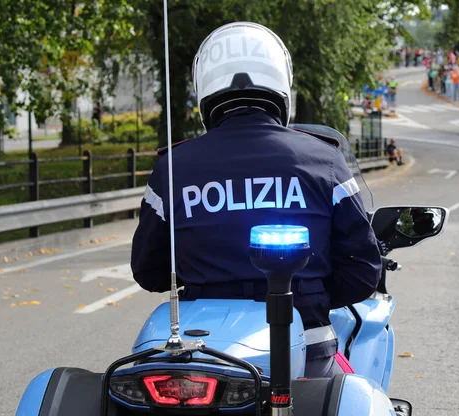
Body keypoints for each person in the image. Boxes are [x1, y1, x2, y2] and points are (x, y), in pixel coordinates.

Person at [130, 22, 382, 378]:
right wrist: (311, 298)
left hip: (200, 354)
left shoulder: (172, 167)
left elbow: (149, 271)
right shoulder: (325, 161)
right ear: (282, 85)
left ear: (205, 90)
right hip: (304, 344)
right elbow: (362, 270)